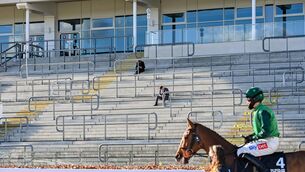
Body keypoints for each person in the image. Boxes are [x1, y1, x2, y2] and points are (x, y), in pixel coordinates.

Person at [237, 87, 280, 172]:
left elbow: (266, 132)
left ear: (254, 99)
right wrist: (250, 136)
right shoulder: (258, 110)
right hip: (265, 141)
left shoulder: (262, 112)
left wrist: (253, 138)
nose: (247, 102)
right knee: (240, 149)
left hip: (269, 142)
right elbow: (260, 131)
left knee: (241, 151)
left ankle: (265, 170)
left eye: (248, 100)